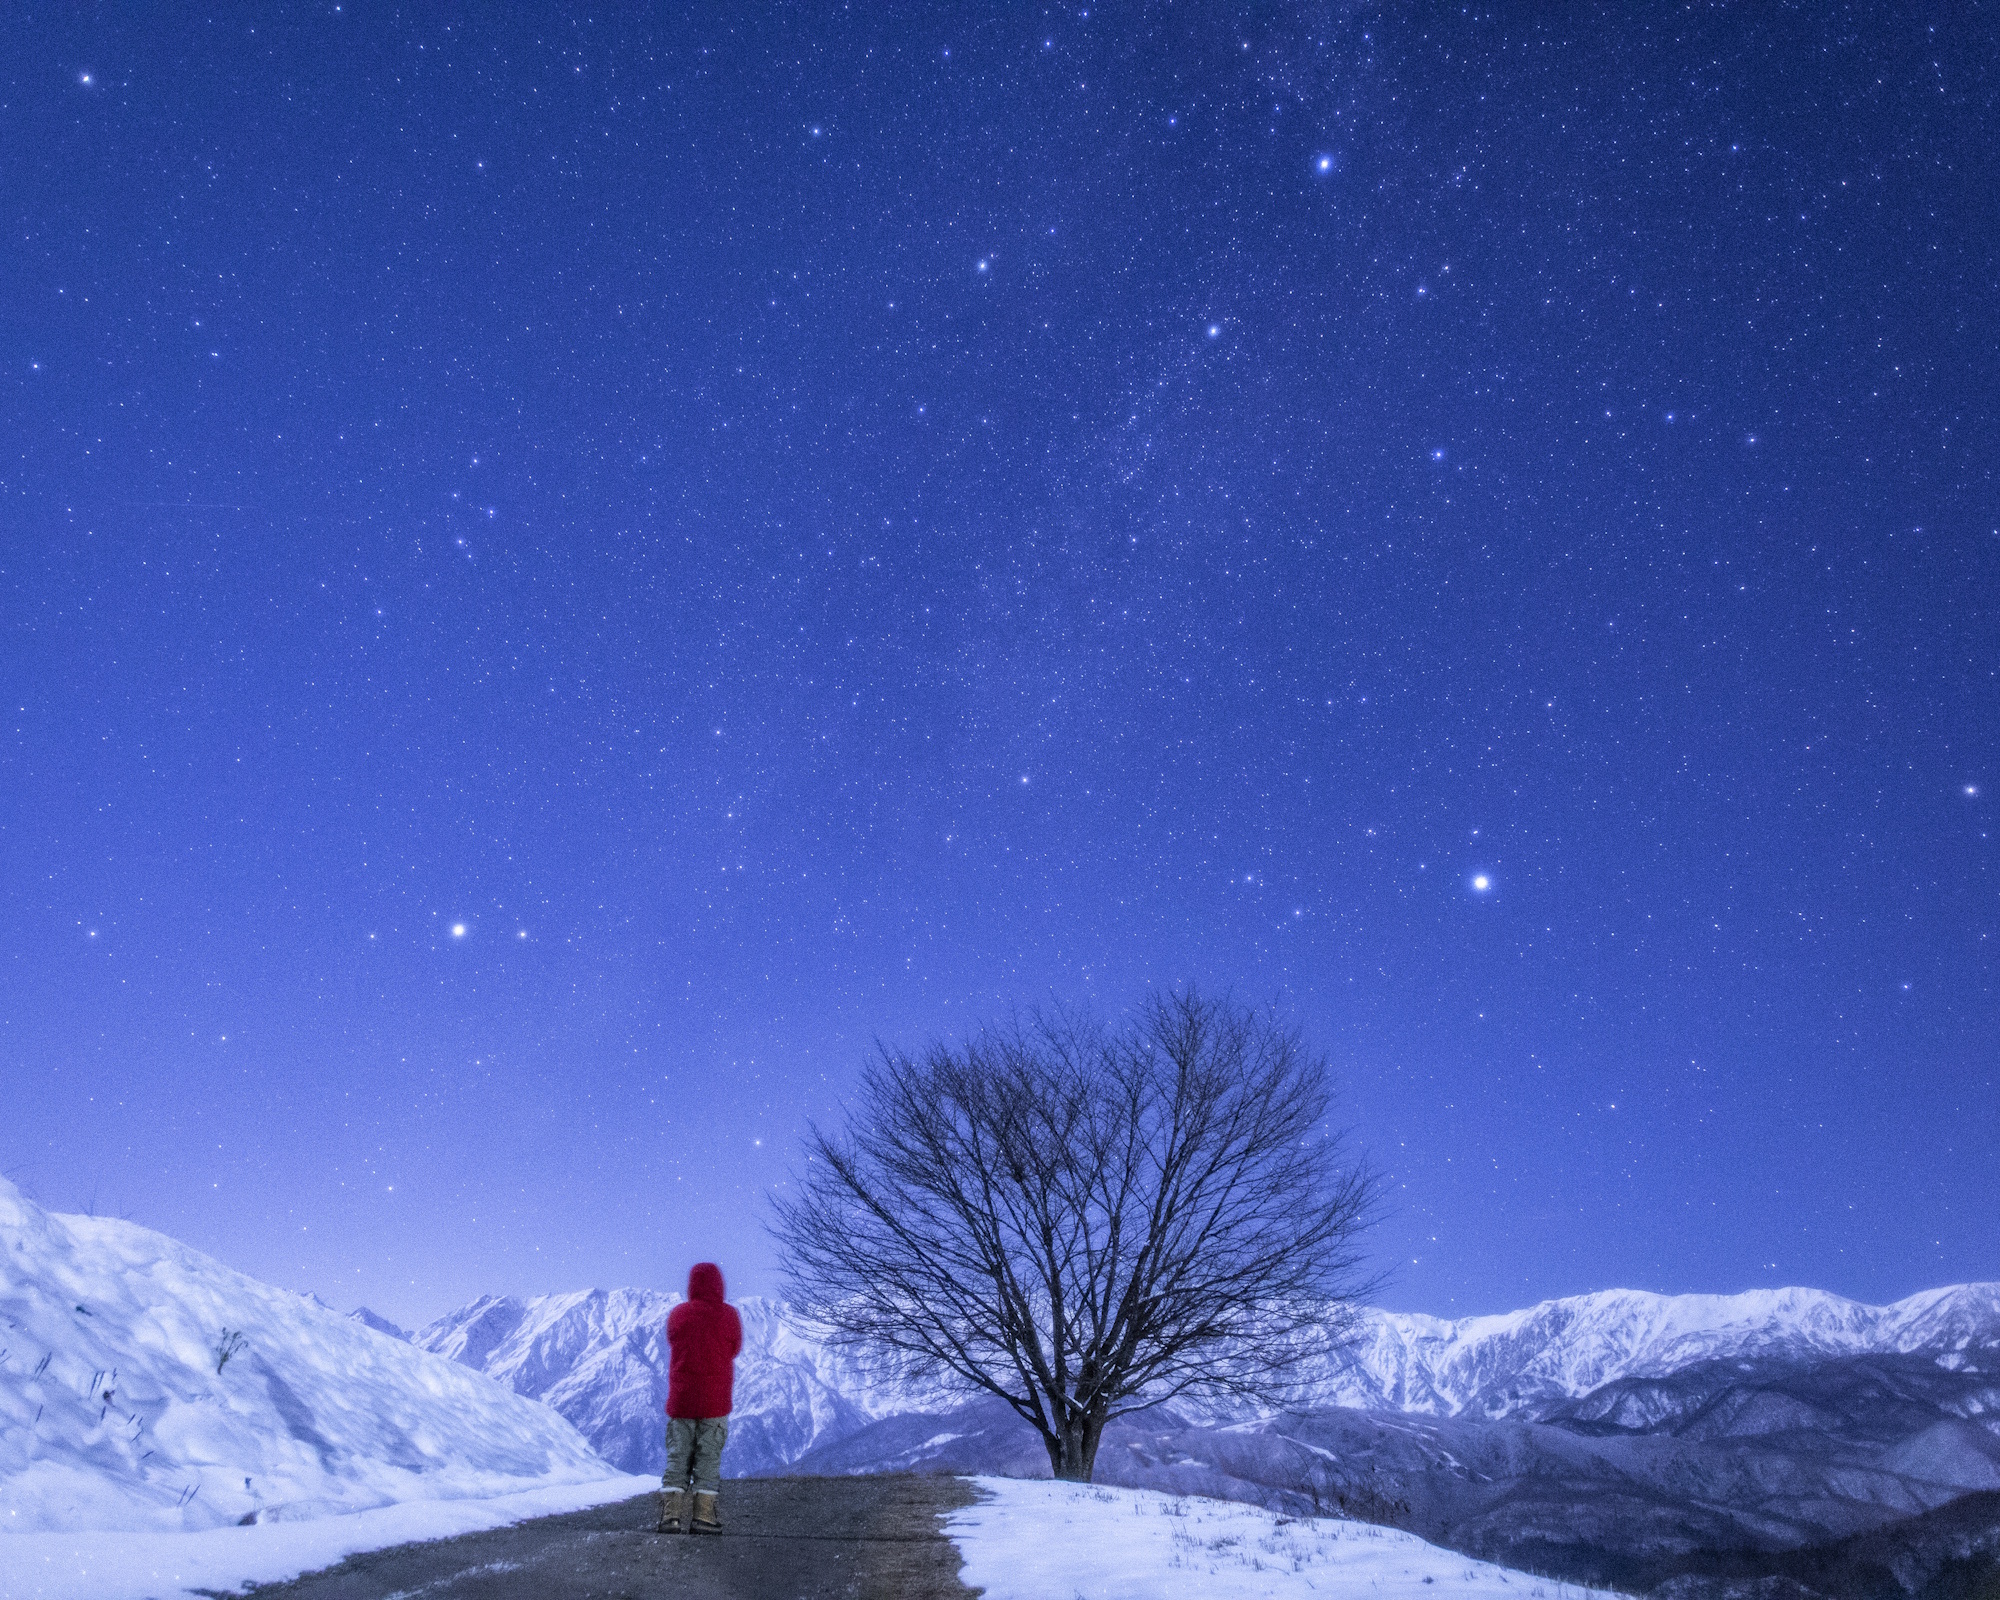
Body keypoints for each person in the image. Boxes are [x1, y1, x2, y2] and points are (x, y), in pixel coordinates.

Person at [659, 1260, 742, 1535]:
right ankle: (704, 1517)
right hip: (715, 1402)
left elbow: (673, 1340)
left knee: (677, 1457)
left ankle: (669, 1517)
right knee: (708, 1459)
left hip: (681, 1400)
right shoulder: (729, 1315)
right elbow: (734, 1348)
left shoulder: (678, 1314)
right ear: (720, 1285)